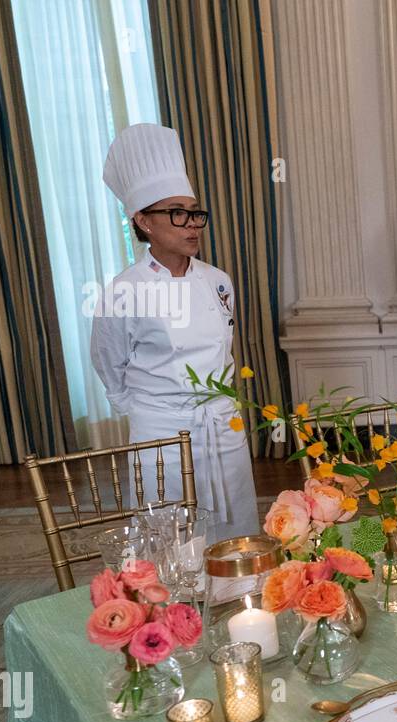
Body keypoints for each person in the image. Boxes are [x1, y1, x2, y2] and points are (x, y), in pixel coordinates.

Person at [92, 123, 258, 543]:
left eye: (195, 213)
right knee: (170, 544)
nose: (191, 225)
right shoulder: (124, 290)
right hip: (161, 439)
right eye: (176, 214)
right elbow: (109, 363)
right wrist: (155, 413)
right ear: (143, 220)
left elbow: (226, 353)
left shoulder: (218, 281)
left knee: (236, 539)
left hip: (223, 429)